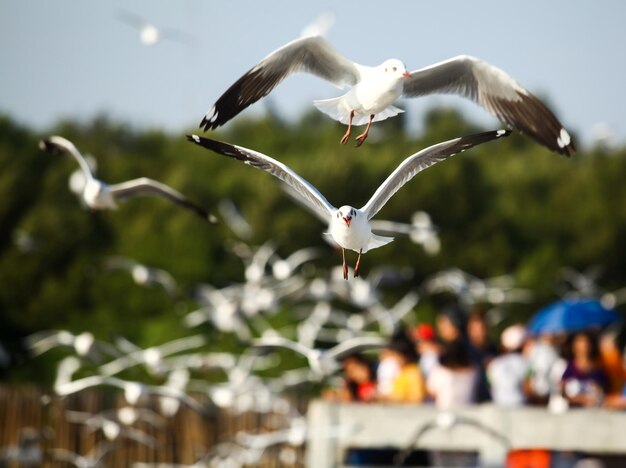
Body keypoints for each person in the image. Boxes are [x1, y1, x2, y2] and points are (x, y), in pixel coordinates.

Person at [560, 331, 608, 408]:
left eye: (586, 342)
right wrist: (580, 399)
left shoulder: (598, 369)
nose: (584, 346)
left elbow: (603, 392)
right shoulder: (566, 366)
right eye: (580, 342)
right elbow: (562, 392)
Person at [427, 339, 477, 409]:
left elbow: (432, 393)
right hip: (469, 413)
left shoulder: (439, 371)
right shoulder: (474, 371)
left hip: (444, 413)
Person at [487, 324, 529, 407]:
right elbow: (529, 388)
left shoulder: (493, 364)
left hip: (498, 409)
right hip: (522, 409)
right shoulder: (526, 363)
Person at [382, 330, 426, 403]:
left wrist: (388, 399)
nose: (395, 359)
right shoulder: (402, 372)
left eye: (396, 355)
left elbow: (416, 399)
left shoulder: (413, 373)